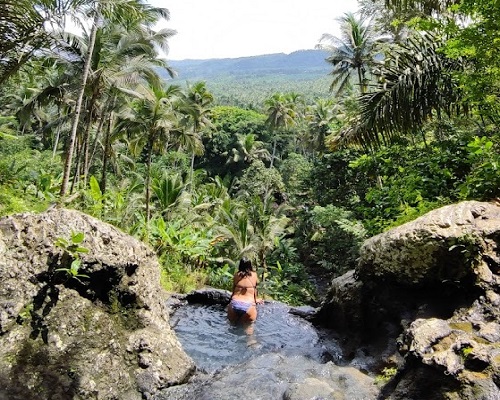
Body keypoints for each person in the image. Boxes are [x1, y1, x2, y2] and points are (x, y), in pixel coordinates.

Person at [227, 258, 263, 335]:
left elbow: (233, 291)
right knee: (249, 330)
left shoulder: (237, 275)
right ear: (250, 265)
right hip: (248, 306)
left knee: (231, 329)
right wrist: (256, 300)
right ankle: (251, 344)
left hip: (234, 304)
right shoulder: (254, 275)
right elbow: (254, 290)